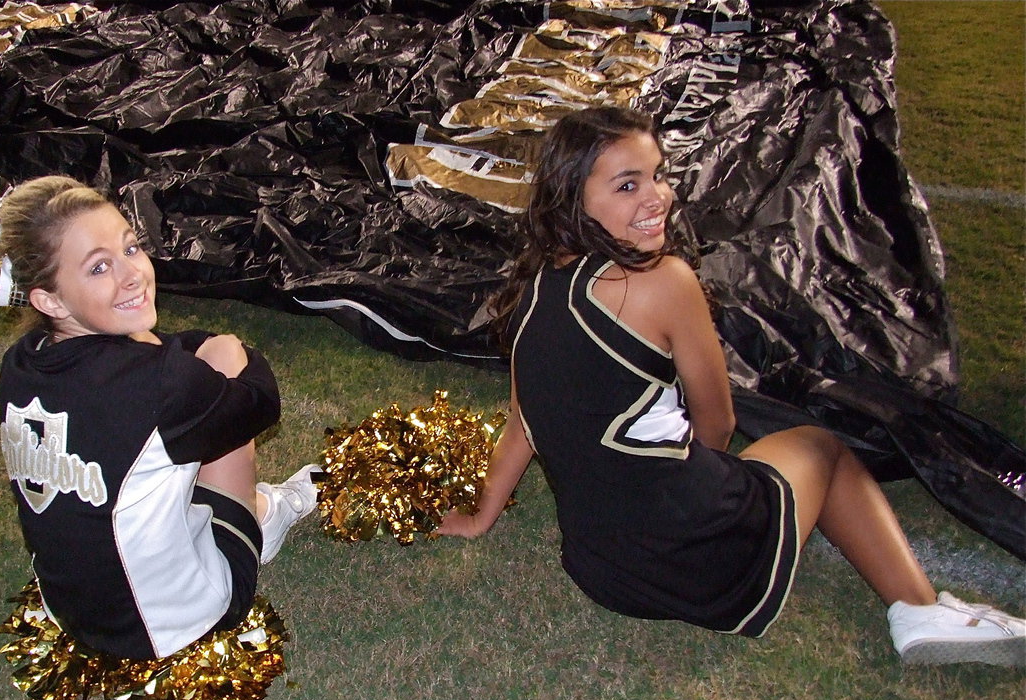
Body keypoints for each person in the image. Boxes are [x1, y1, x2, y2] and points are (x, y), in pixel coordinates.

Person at [437, 107, 1024, 667]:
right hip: (694, 560)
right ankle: (920, 611)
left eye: (660, 175)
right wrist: (708, 506)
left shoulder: (533, 289)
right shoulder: (664, 279)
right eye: (627, 185)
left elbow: (524, 418)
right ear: (574, 198)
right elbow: (716, 423)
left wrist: (482, 516)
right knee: (821, 448)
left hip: (603, 569)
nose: (658, 198)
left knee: (758, 461)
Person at [0, 175, 319, 660]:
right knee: (226, 361)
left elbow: (158, 358)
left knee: (162, 432)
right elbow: (259, 401)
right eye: (99, 266)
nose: (131, 275)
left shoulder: (20, 362)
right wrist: (220, 350)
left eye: (130, 248)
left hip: (72, 612)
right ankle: (263, 516)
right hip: (174, 622)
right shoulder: (159, 382)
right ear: (50, 299)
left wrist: (165, 348)